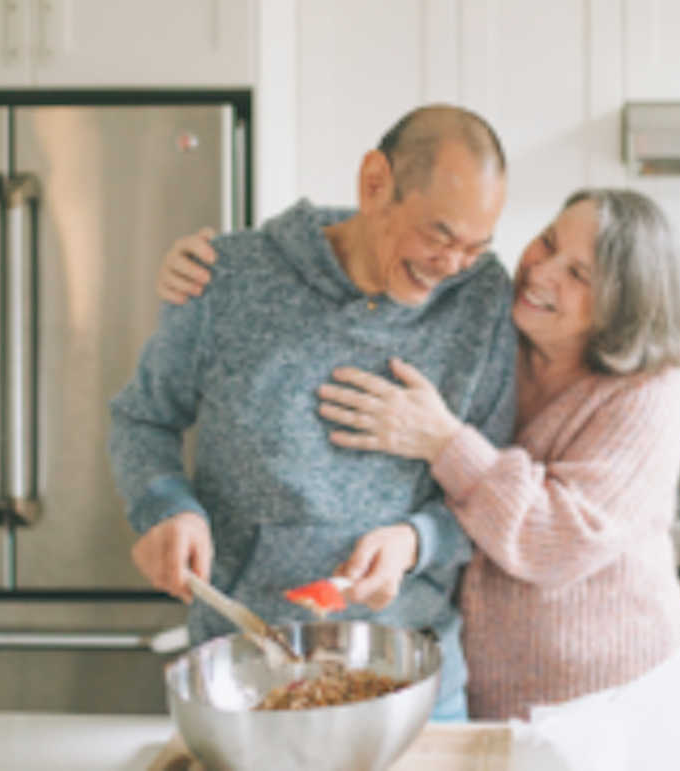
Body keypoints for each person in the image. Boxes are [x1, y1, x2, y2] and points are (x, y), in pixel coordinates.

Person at [157, 188, 680, 720]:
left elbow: (556, 540)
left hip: (607, 698)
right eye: (548, 241)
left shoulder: (645, 394)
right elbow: (389, 241)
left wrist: (443, 442)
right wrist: (223, 262)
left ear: (623, 309)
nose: (542, 272)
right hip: (486, 688)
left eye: (579, 274)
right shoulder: (499, 326)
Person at [108, 105, 517, 722]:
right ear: (375, 182)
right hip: (247, 681)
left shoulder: (482, 299)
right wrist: (167, 508)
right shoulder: (229, 277)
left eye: (475, 246)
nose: (452, 265)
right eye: (439, 236)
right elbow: (143, 418)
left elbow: (490, 489)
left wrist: (415, 541)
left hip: (415, 686)